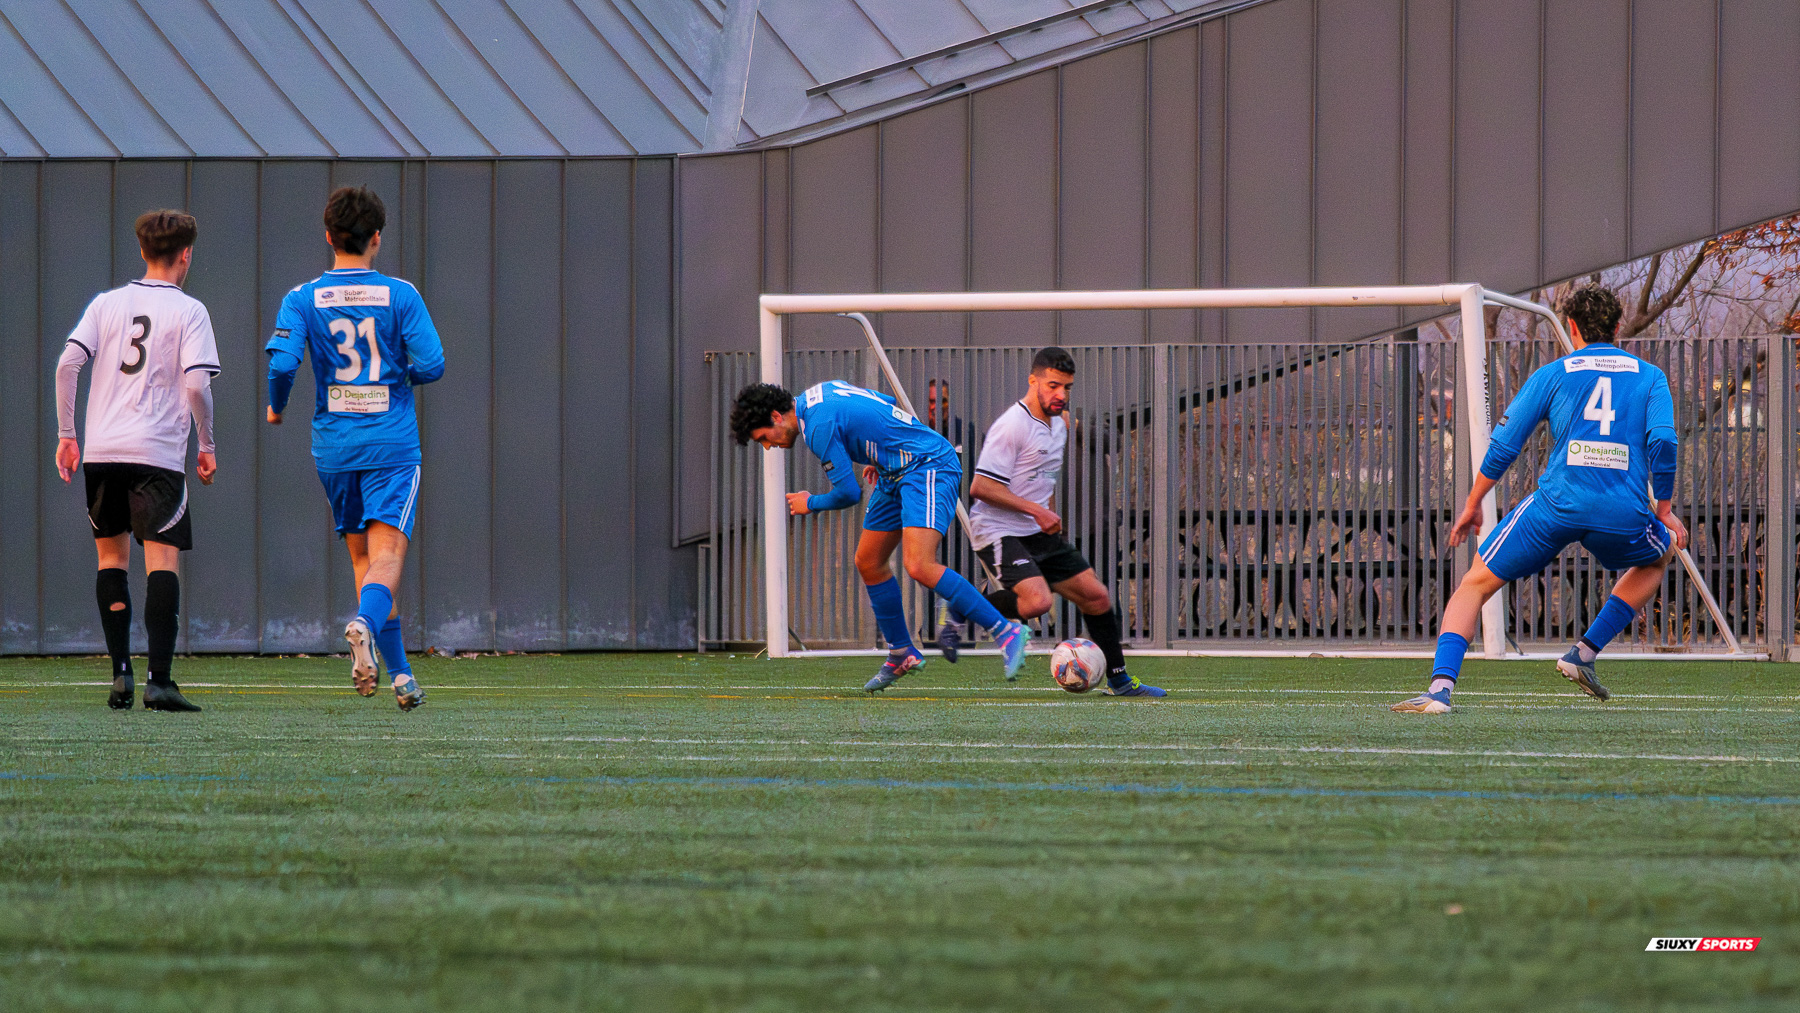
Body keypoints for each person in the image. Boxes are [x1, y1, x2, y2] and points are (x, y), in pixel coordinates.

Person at [1393, 285, 1687, 713]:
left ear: (1571, 326)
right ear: (1618, 327)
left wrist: (1474, 502)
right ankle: (1583, 653)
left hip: (1557, 506)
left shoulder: (1554, 373)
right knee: (1659, 556)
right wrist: (1664, 509)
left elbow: (1504, 444)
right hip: (1621, 510)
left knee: (1474, 585)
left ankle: (1440, 690)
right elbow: (1663, 440)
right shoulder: (1650, 376)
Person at [266, 186, 445, 711]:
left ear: (329, 237)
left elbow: (282, 363)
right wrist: (397, 377)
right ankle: (365, 623)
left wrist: (276, 407)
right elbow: (432, 364)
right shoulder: (400, 295)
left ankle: (402, 677)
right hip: (390, 444)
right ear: (377, 238)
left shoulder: (301, 298)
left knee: (364, 560)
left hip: (335, 448)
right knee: (387, 556)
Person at [731, 380, 1030, 692]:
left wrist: (810, 503)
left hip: (926, 464)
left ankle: (1006, 630)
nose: (768, 446)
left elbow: (849, 493)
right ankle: (901, 652)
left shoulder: (818, 427)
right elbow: (883, 401)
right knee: (869, 561)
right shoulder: (819, 394)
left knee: (919, 564)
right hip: (894, 471)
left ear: (776, 416)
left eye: (763, 438)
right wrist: (879, 452)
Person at [54, 210, 218, 712]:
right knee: (161, 562)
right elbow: (197, 385)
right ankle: (159, 682)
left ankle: (120, 673)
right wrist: (206, 443)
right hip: (157, 454)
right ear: (186, 254)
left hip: (102, 450)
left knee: (111, 560)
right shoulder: (190, 311)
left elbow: (67, 364)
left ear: (143, 252)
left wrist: (67, 434)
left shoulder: (106, 303)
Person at [939, 347, 1165, 697]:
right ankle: (962, 605)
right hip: (998, 529)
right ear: (1033, 381)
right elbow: (981, 487)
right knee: (1037, 602)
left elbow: (1044, 478)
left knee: (1097, 596)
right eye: (1053, 385)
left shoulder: (1060, 424)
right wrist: (1037, 510)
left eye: (1067, 387)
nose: (1061, 394)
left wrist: (1049, 515)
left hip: (1036, 529)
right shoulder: (1011, 426)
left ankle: (1120, 681)